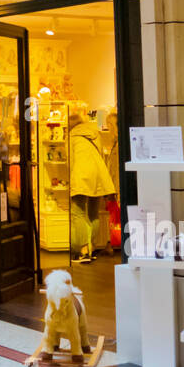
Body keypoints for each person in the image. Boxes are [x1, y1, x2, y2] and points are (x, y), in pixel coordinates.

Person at [68, 110, 116, 262]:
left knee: (78, 213)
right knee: (93, 214)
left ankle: (82, 251)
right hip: (98, 175)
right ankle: (92, 248)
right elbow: (101, 154)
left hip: (81, 175)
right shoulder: (95, 134)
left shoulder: (71, 136)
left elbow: (70, 160)